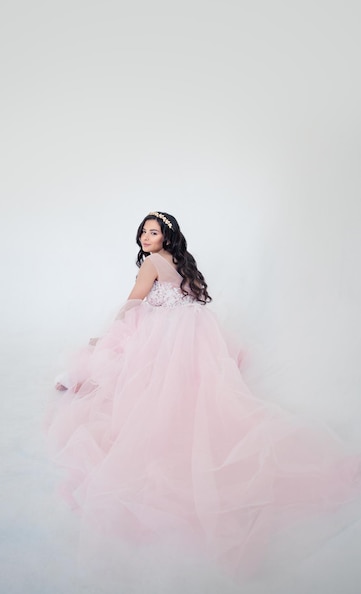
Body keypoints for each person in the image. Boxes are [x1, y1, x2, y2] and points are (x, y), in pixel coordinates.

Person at [46, 211, 361, 579]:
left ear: (167, 236)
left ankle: (81, 377)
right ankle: (90, 375)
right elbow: (183, 301)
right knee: (143, 347)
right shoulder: (180, 262)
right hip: (194, 332)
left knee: (119, 344)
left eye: (154, 232)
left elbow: (133, 303)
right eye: (143, 232)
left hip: (167, 335)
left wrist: (107, 336)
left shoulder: (151, 263)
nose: (146, 238)